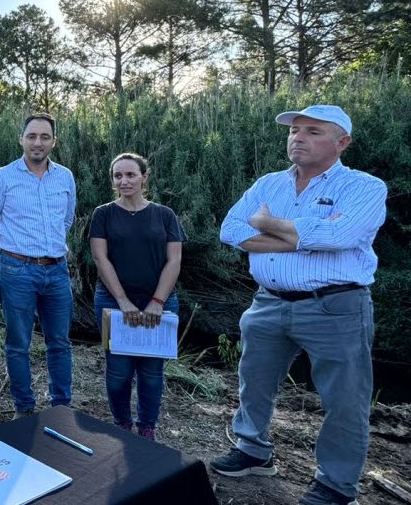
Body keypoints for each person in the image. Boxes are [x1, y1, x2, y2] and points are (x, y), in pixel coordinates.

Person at [212, 105, 386, 505]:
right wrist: (303, 237)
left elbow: (340, 235)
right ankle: (253, 451)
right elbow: (230, 230)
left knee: (344, 399)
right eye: (294, 130)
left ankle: (336, 486)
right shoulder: (269, 184)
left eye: (312, 131)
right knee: (253, 381)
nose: (298, 137)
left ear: (342, 142)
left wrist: (269, 224)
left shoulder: (364, 187)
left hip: (334, 306)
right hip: (268, 302)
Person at [0, 113, 76, 416]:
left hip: (57, 270)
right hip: (17, 271)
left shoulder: (65, 177)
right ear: (21, 139)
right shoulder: (2, 178)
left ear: (53, 142)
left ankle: (61, 407)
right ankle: (24, 409)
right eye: (32, 136)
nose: (38, 142)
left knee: (59, 342)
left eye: (44, 137)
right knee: (18, 343)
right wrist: (14, 249)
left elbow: (67, 219)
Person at [89, 153, 184, 441]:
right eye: (118, 176)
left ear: (144, 177)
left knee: (152, 372)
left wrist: (157, 302)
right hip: (113, 302)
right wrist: (123, 302)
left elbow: (175, 260)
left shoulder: (164, 215)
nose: (124, 181)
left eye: (130, 175)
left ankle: (147, 428)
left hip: (160, 302)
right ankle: (122, 425)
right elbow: (100, 258)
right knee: (118, 372)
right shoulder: (103, 214)